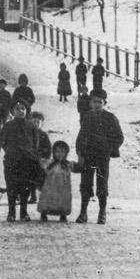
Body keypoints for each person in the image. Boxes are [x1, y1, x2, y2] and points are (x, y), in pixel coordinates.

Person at [74, 88, 125, 224]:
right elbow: (81, 136)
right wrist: (79, 153)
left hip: (102, 157)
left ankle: (102, 212)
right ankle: (83, 212)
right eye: (94, 102)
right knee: (86, 183)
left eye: (100, 102)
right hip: (88, 155)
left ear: (104, 103)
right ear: (90, 103)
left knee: (102, 183)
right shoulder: (87, 117)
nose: (97, 104)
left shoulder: (110, 118)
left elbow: (119, 137)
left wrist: (109, 148)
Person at [0, 101, 47, 222]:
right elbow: (3, 142)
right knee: (11, 186)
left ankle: (23, 212)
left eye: (23, 109)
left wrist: (29, 153)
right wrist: (11, 151)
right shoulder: (8, 126)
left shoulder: (31, 126)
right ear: (12, 111)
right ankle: (11, 213)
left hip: (27, 160)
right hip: (12, 160)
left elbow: (35, 144)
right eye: (17, 108)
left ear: (27, 111)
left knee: (25, 186)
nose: (20, 111)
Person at [36, 140, 77, 221]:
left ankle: (63, 215)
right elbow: (40, 163)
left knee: (63, 200)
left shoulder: (68, 164)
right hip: (50, 187)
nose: (60, 154)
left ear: (66, 153)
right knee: (47, 199)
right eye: (57, 152)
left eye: (62, 152)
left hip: (63, 188)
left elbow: (77, 167)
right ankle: (44, 213)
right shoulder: (49, 163)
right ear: (53, 152)